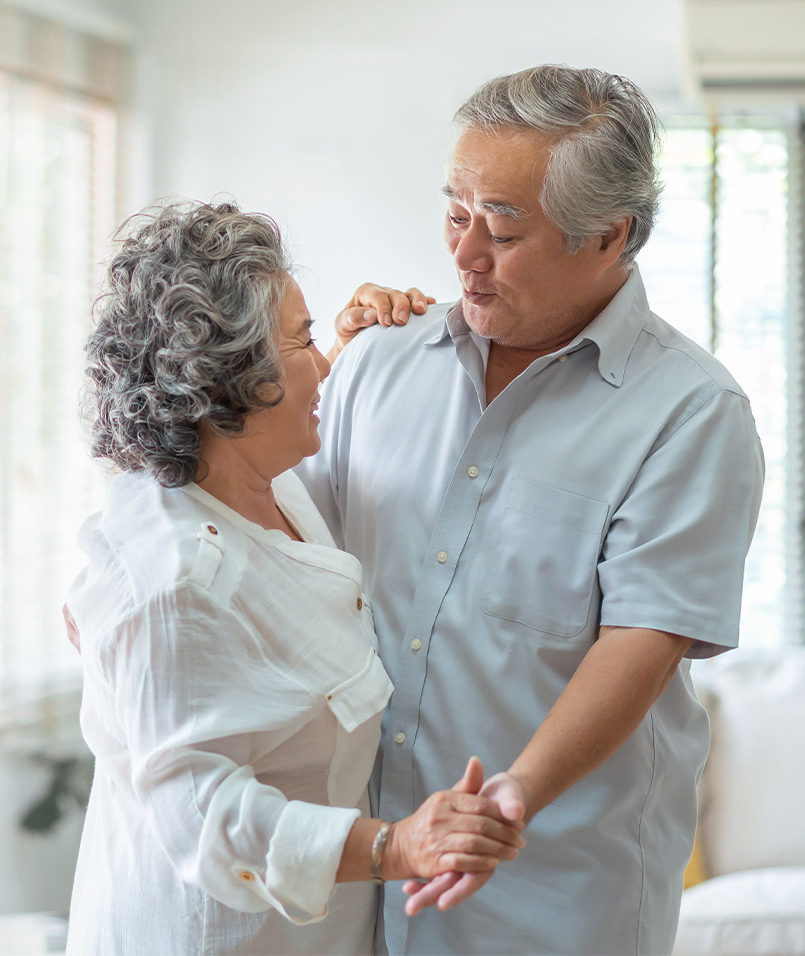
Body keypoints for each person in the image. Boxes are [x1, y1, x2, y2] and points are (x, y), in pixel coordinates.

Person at [296, 64, 766, 955]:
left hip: (555, 894)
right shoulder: (377, 362)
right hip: (361, 878)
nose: (464, 253)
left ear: (608, 237)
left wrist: (514, 794)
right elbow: (296, 560)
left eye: (503, 230)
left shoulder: (691, 413)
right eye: (454, 214)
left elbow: (644, 640)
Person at [63, 200, 524, 955]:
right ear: (225, 385)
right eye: (301, 340)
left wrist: (344, 344)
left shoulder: (262, 487)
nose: (324, 366)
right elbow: (206, 817)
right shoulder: (174, 580)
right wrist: (397, 847)